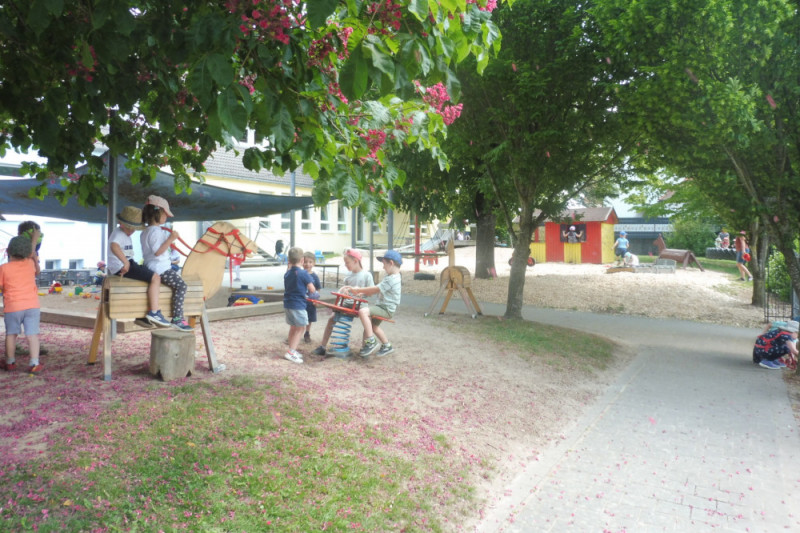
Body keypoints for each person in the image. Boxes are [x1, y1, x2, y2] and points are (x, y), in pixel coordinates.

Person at [107, 206, 170, 328]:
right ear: (120, 223)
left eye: (134, 229)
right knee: (155, 278)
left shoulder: (124, 234)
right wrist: (125, 262)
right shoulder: (118, 233)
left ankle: (141, 316)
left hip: (127, 264)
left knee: (146, 278)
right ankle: (155, 312)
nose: (131, 231)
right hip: (121, 266)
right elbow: (114, 246)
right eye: (129, 227)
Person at [140, 195, 193, 331]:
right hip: (160, 268)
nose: (166, 217)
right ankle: (177, 318)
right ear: (157, 213)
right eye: (165, 214)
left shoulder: (146, 231)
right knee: (181, 286)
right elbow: (158, 252)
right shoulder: (155, 232)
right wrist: (170, 239)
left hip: (152, 266)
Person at [311, 248, 375, 356]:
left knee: (368, 321)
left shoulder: (366, 275)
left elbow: (371, 292)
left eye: (347, 262)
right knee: (332, 318)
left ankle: (365, 348)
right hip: (347, 302)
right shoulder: (348, 276)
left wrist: (362, 292)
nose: (345, 265)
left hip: (360, 303)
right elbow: (344, 291)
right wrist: (343, 293)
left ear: (355, 261)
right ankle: (323, 346)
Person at [342, 249, 402, 358]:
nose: (383, 267)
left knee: (363, 312)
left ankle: (371, 341)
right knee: (372, 327)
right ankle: (386, 346)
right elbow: (377, 289)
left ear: (391, 263)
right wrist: (363, 292)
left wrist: (358, 289)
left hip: (385, 309)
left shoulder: (392, 279)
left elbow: (375, 289)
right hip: (383, 307)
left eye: (384, 264)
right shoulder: (391, 276)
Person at [0, 232, 43, 374]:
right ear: (28, 253)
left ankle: (10, 362)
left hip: (13, 307)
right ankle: (34, 362)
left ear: (8, 251)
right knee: (32, 335)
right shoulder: (30, 264)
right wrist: (34, 242)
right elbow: (37, 270)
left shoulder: (4, 268)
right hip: (32, 306)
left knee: (11, 334)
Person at [282, 247, 320, 364]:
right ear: (302, 260)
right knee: (301, 328)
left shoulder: (287, 273)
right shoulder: (304, 274)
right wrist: (315, 295)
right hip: (298, 305)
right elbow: (312, 290)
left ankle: (291, 349)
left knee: (293, 327)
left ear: (289, 260)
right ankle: (291, 352)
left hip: (288, 304)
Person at [302, 251, 321, 343]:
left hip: (310, 301)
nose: (307, 264)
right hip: (301, 300)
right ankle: (294, 334)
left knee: (309, 318)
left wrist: (316, 300)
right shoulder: (300, 274)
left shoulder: (314, 276)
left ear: (314, 263)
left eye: (310, 262)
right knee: (299, 317)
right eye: (305, 262)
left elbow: (318, 289)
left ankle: (307, 333)